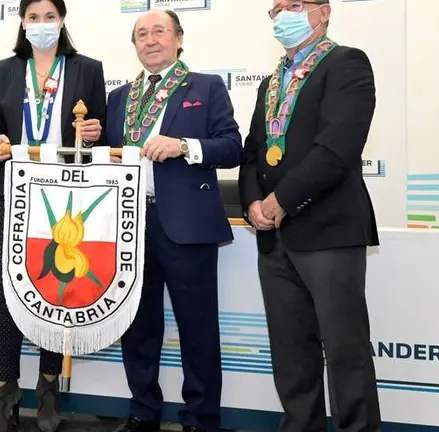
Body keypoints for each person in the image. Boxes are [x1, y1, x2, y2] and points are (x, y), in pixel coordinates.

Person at [237, 1, 381, 431]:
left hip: (330, 230)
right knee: (290, 351)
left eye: (294, 5)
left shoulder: (346, 63)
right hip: (274, 239)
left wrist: (280, 201)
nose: (284, 15)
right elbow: (252, 152)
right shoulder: (270, 82)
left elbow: (337, 148)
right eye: (276, 8)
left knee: (344, 351)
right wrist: (252, 204)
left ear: (323, 12)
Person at [104, 9, 242, 432]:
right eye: (141, 34)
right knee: (137, 326)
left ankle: (200, 419)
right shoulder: (119, 98)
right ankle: (143, 411)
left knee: (197, 328)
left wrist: (184, 145)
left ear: (179, 39)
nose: (150, 40)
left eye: (159, 31)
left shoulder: (206, 86)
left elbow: (232, 147)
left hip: (186, 226)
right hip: (130, 226)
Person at [0, 0, 106, 431]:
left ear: (61, 21)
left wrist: (93, 133)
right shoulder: (5, 69)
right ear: (22, 22)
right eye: (32, 17)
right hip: (14, 193)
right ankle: (5, 392)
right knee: (5, 291)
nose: (40, 25)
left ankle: (48, 388)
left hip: (64, 198)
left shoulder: (87, 68)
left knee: (57, 288)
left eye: (48, 17)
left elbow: (100, 131)